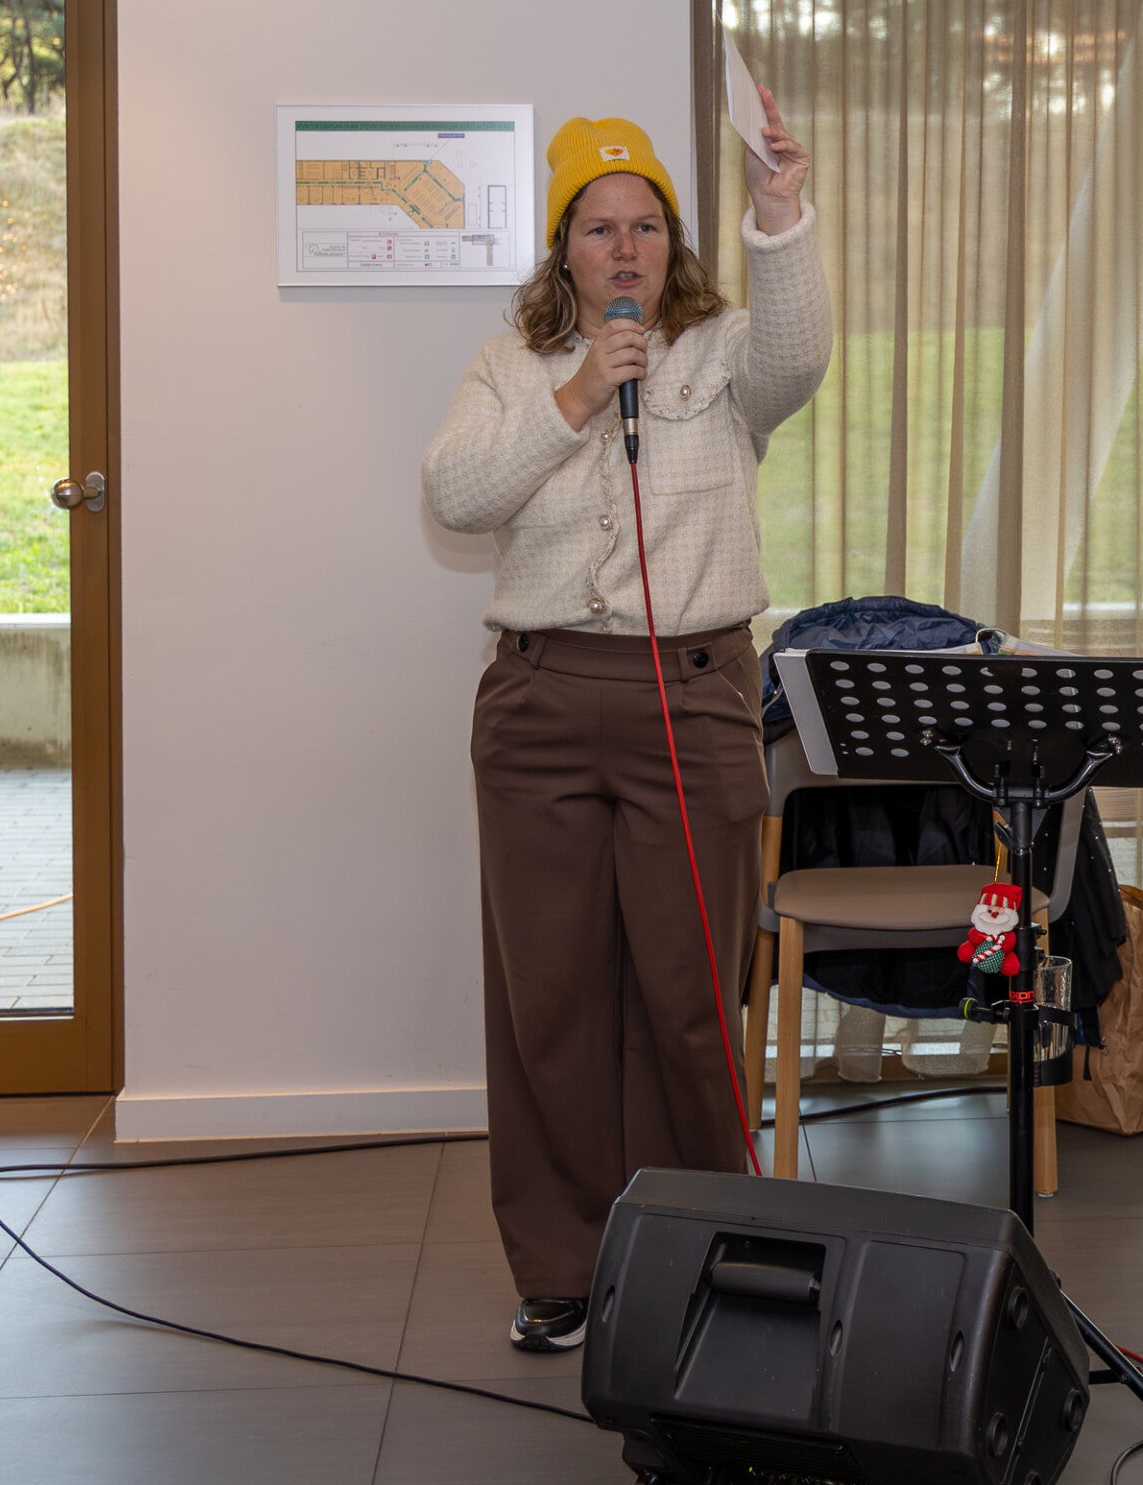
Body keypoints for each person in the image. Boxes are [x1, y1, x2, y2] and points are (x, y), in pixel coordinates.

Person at [422, 95, 830, 1350]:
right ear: (564, 248)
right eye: (598, 228)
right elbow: (454, 494)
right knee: (548, 996)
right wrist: (579, 395)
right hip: (540, 703)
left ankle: (699, 1254)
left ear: (672, 241)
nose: (625, 249)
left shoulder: (719, 353)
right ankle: (562, 1267)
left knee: (688, 994)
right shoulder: (512, 364)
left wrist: (778, 214)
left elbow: (799, 358)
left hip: (692, 697)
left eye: (645, 225)